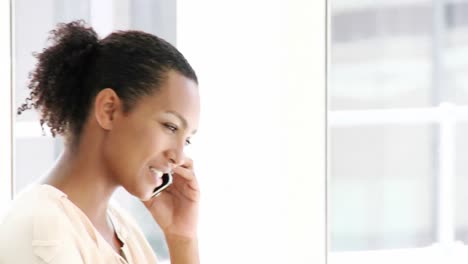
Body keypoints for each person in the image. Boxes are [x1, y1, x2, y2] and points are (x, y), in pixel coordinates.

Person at [0, 20, 200, 263]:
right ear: (109, 110)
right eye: (170, 127)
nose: (179, 157)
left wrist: (182, 239)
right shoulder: (43, 231)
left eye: (187, 140)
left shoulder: (120, 227)